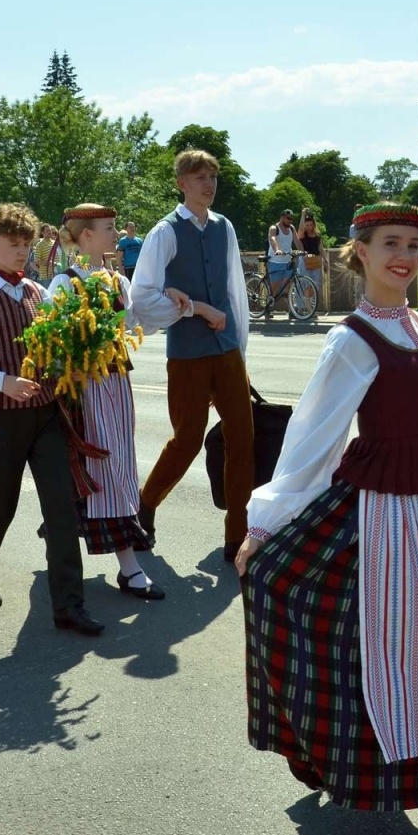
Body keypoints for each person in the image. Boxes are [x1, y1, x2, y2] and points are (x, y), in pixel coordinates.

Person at [234, 202, 418, 835]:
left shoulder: (415, 324)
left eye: (412, 243)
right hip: (380, 517)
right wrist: (263, 523)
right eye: (390, 244)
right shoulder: (352, 339)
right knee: (396, 655)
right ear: (361, 252)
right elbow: (311, 440)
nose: (403, 255)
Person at [0, 202, 108, 636]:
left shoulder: (37, 291)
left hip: (47, 414)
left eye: (27, 245)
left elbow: (60, 347)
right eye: (13, 245)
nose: (22, 253)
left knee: (61, 509)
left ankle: (68, 606)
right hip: (3, 420)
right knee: (1, 505)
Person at [129, 148, 254, 562]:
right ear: (182, 183)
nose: (209, 184)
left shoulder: (224, 227)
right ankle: (145, 505)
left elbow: (235, 289)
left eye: (213, 177)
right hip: (187, 354)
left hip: (227, 350)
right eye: (200, 177)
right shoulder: (164, 232)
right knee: (187, 439)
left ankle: (237, 535)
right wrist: (190, 307)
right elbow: (142, 297)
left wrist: (240, 346)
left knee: (243, 439)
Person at [46, 203, 162, 599]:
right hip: (85, 391)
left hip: (115, 383)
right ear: (85, 235)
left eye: (115, 227)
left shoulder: (117, 279)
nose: (116, 234)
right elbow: (50, 339)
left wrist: (179, 304)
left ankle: (110, 555)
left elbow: (132, 323)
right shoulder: (65, 282)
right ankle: (128, 566)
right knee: (101, 469)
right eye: (109, 228)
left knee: (119, 465)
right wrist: (70, 366)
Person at [264, 210, 295, 312]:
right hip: (275, 261)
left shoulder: (291, 228)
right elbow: (273, 239)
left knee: (288, 287)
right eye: (288, 218)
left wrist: (304, 252)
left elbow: (297, 241)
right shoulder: (274, 228)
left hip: (288, 261)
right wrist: (277, 249)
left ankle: (291, 310)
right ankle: (268, 307)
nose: (290, 220)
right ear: (282, 217)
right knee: (274, 288)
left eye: (291, 218)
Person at [297, 208, 323, 296]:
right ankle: (302, 305)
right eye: (306, 225)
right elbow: (300, 230)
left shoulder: (317, 235)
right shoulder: (303, 234)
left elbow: (321, 248)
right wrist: (303, 215)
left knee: (316, 284)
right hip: (305, 259)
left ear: (313, 225)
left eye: (310, 225)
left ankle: (310, 303)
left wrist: (325, 260)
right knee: (304, 282)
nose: (308, 227)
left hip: (315, 259)